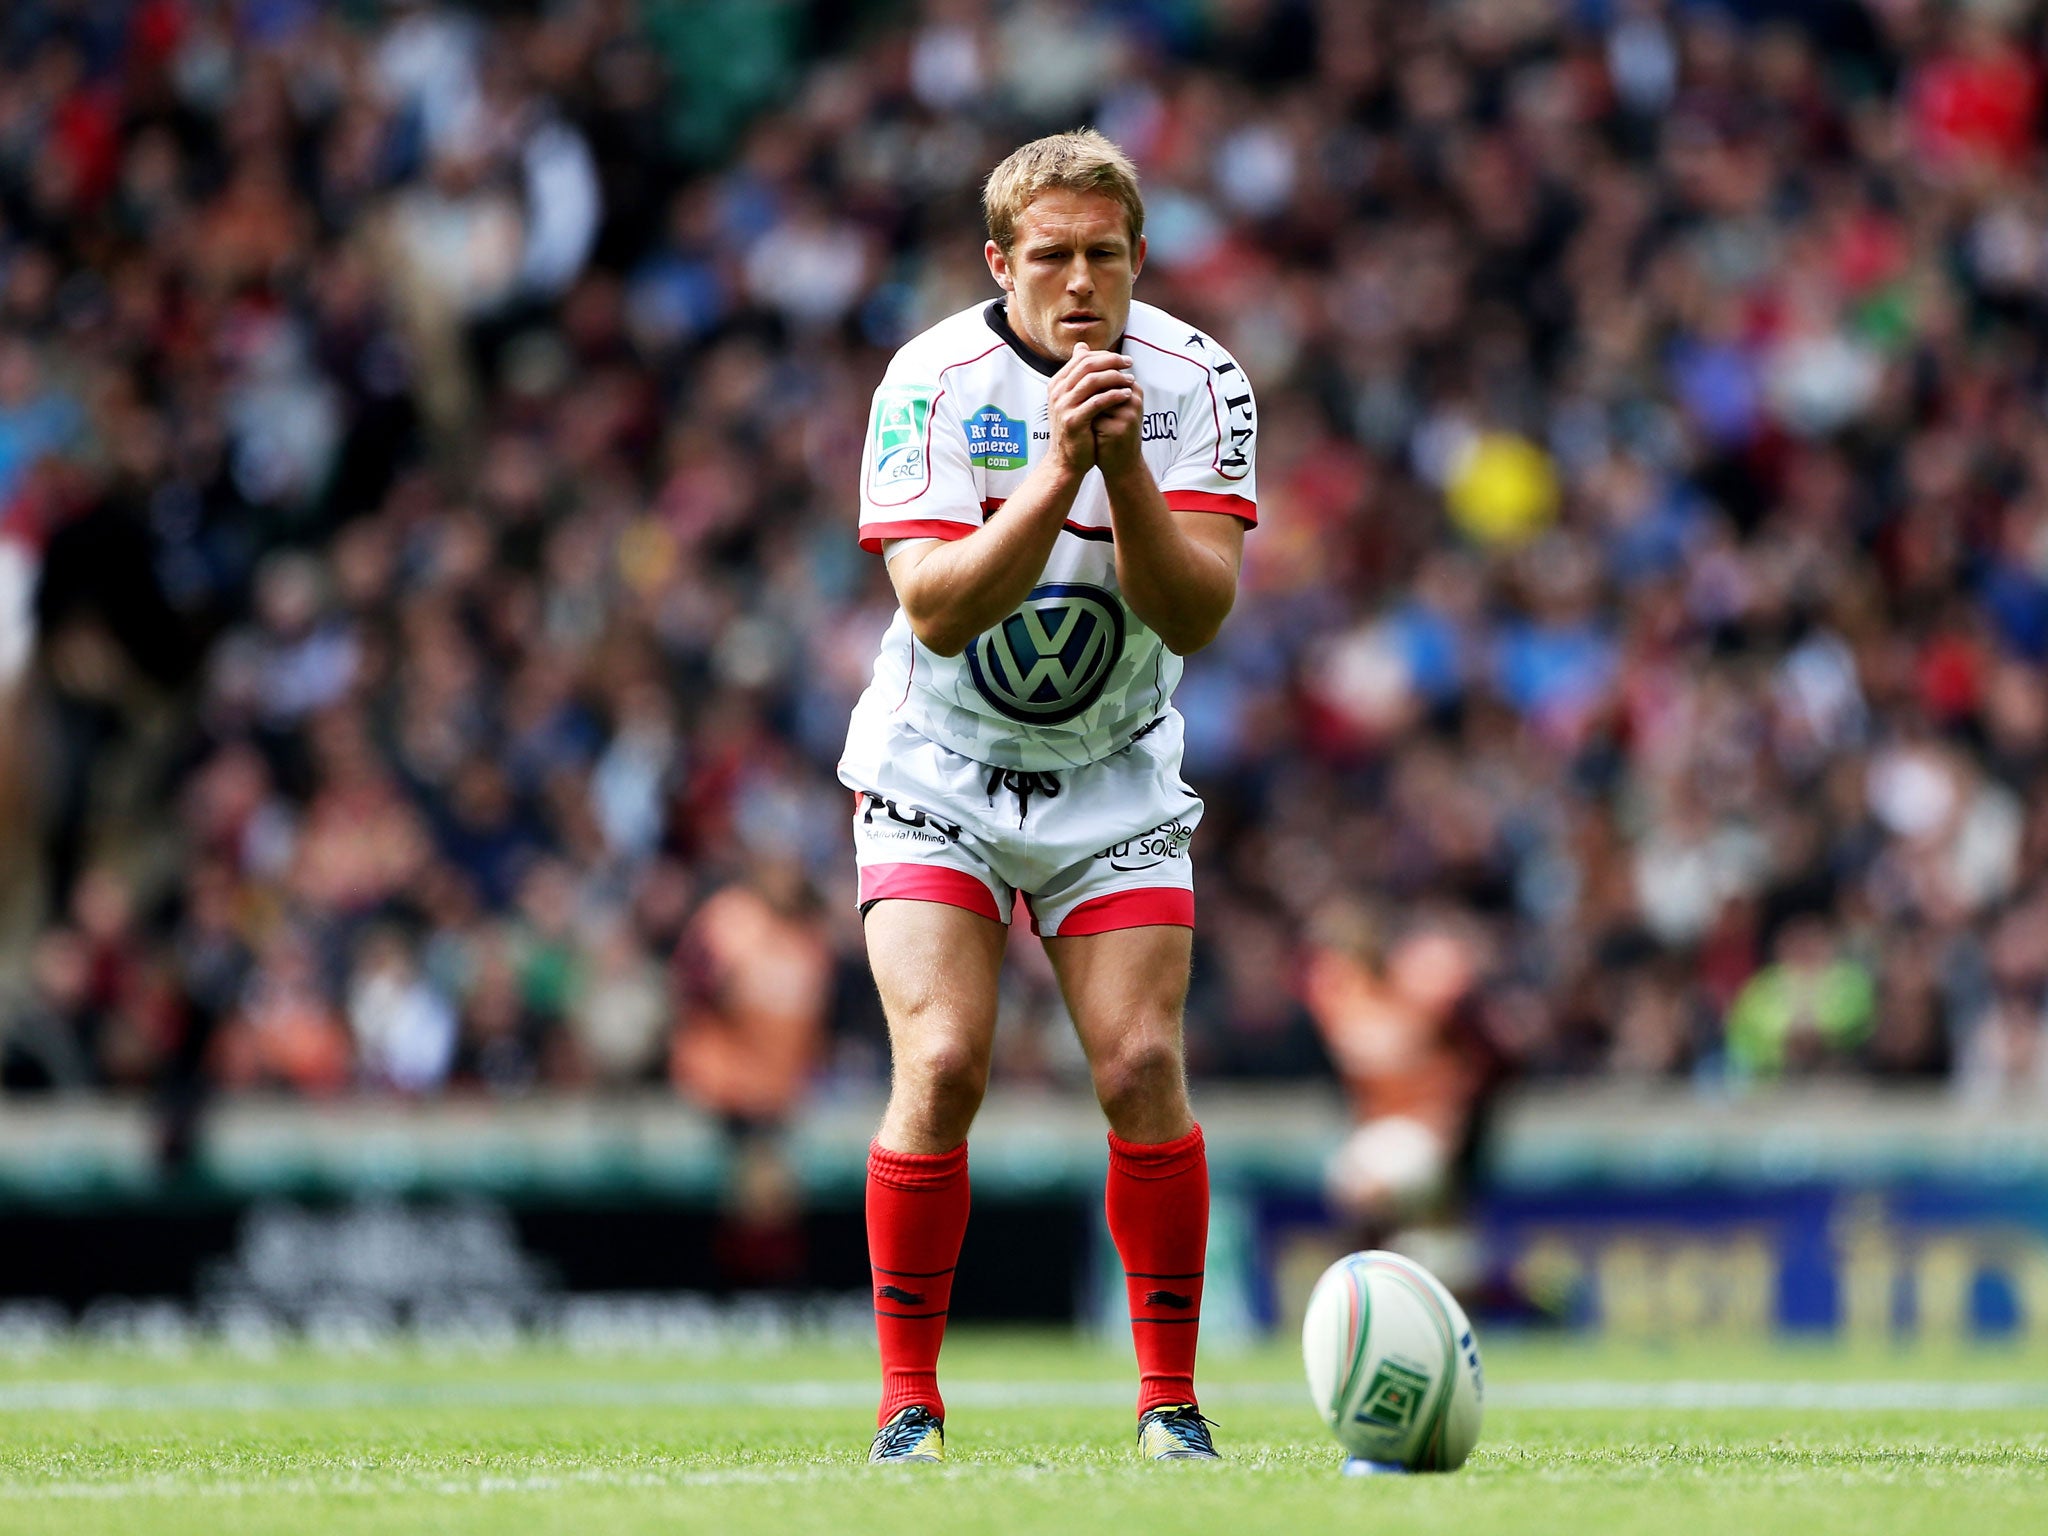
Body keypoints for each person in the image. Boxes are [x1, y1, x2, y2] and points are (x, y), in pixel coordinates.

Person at [839, 131, 1257, 1464]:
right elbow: (940, 610)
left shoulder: (1199, 381)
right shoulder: (928, 382)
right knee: (946, 1062)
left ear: (1138, 259)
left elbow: (1196, 610)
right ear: (998, 264)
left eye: (1105, 256)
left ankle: (1169, 1403)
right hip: (936, 769)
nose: (1081, 283)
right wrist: (1058, 468)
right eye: (1053, 257)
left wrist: (1125, 463)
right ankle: (910, 1401)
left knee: (1140, 1068)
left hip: (1113, 770)